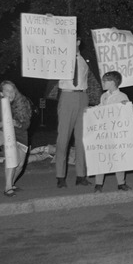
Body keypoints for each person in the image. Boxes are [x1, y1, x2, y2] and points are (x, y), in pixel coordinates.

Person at [55, 34, 92, 188]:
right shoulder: (59, 57)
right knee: (63, 137)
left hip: (83, 97)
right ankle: (60, 176)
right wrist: (49, 21)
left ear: (78, 41)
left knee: (82, 139)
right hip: (67, 96)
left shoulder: (86, 60)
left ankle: (81, 175)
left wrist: (114, 32)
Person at [93, 70, 133, 192]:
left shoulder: (122, 96)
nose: (102, 83)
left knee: (118, 157)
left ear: (112, 83)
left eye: (105, 81)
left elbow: (132, 110)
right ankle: (98, 183)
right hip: (104, 132)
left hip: (116, 133)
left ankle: (121, 183)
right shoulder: (104, 96)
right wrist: (91, 111)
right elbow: (100, 109)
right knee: (102, 156)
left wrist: (126, 105)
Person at [0, 80, 32, 197]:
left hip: (21, 136)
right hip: (7, 136)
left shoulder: (22, 103)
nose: (10, 93)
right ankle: (7, 187)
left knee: (20, 165)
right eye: (7, 90)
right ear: (1, 93)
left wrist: (16, 123)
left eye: (12, 90)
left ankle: (11, 183)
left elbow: (26, 124)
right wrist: (6, 122)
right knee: (12, 159)